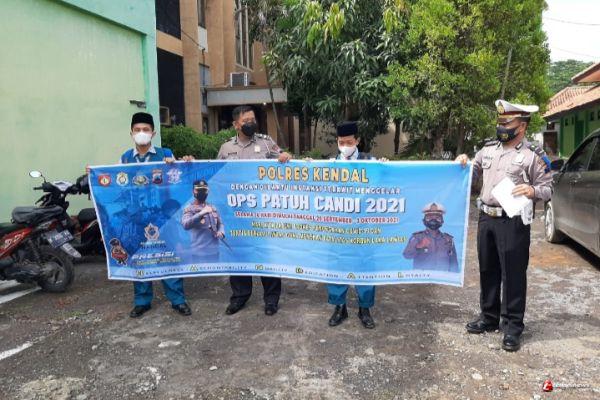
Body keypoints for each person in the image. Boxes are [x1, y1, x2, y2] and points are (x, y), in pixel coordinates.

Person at [456, 100, 553, 351]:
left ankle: (512, 327)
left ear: (522, 126)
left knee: (513, 273)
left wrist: (532, 190)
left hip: (513, 220)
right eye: (500, 122)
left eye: (507, 123)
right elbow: (471, 176)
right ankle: (489, 318)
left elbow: (548, 188)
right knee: (488, 269)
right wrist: (463, 162)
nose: (502, 127)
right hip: (486, 218)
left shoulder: (533, 155)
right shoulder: (487, 150)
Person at [217, 105, 292, 316]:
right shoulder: (226, 148)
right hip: (236, 213)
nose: (251, 123)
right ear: (236, 124)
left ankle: (271, 299)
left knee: (267, 254)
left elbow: (284, 158)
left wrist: (285, 156)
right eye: (246, 120)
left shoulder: (266, 143)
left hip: (263, 212)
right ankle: (240, 297)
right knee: (239, 254)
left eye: (253, 119)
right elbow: (218, 176)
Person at [121, 112, 194, 318]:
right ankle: (142, 301)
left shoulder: (165, 154)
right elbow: (115, 182)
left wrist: (185, 162)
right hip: (137, 218)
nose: (141, 133)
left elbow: (180, 177)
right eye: (137, 130)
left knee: (167, 255)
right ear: (131, 133)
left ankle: (177, 300)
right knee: (140, 257)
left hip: (162, 218)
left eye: (145, 129)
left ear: (153, 133)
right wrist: (94, 175)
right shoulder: (125, 158)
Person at [327, 121, 380, 329]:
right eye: (341, 142)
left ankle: (364, 308)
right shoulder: (330, 164)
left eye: (349, 142)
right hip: (338, 226)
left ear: (357, 141)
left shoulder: (371, 162)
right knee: (337, 264)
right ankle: (339, 307)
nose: (345, 146)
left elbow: (388, 181)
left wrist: (385, 167)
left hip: (363, 226)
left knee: (364, 264)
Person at [403, 202, 458, 272]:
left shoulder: (448, 240)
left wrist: (455, 277)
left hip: (443, 277)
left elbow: (454, 264)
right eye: (429, 217)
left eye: (437, 217)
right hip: (422, 277)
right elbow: (407, 255)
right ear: (423, 221)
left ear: (442, 221)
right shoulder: (417, 237)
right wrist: (418, 247)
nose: (433, 220)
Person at [181, 180, 224, 263]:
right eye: (199, 190)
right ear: (193, 191)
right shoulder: (189, 209)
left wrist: (221, 232)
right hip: (199, 253)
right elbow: (185, 225)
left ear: (207, 191)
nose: (202, 192)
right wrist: (201, 213)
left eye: (204, 190)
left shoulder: (212, 207)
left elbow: (220, 224)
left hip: (214, 251)